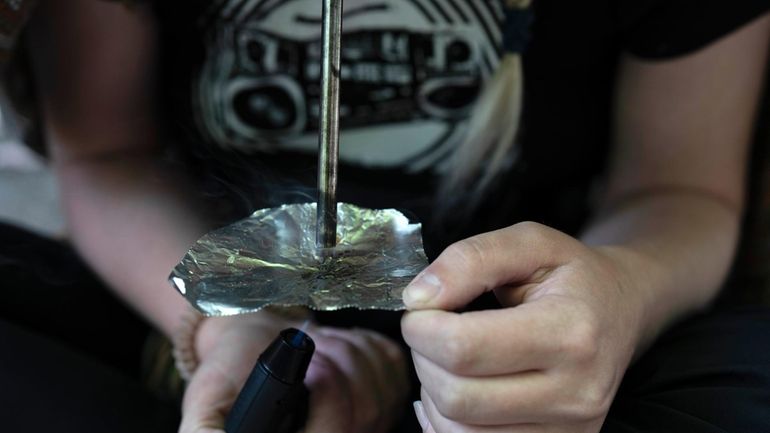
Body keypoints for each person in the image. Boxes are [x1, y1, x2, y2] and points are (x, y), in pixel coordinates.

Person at [8, 0, 770, 432]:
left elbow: (682, 191)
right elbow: (105, 152)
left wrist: (620, 293)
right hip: (182, 291)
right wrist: (228, 323)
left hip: (562, 340)